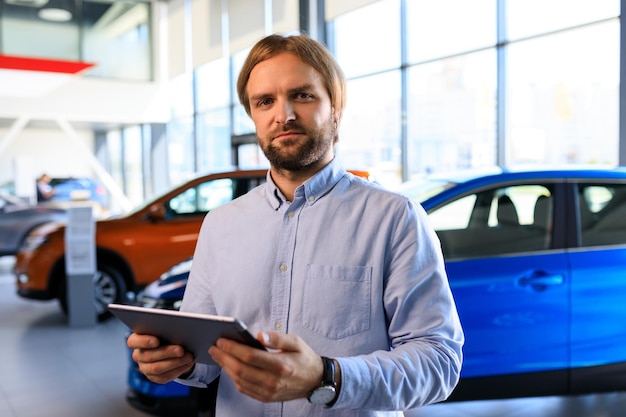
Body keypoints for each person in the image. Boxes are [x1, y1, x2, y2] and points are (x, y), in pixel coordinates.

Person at [127, 33, 464, 417]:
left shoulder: (394, 218)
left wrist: (326, 377)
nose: (282, 115)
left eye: (302, 95)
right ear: (253, 115)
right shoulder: (220, 225)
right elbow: (206, 359)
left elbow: (439, 362)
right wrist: (177, 361)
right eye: (264, 101)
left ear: (335, 108)